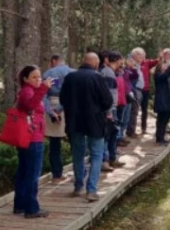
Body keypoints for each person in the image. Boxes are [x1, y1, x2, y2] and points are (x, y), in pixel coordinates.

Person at [60, 52, 114, 202]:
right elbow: (108, 101)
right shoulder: (98, 78)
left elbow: (63, 99)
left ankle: (78, 186)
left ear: (83, 62)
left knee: (78, 153)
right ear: (96, 64)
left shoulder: (70, 77)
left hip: (74, 121)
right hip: (95, 121)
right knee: (96, 155)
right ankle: (91, 190)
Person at [13, 65, 54, 218]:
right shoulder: (27, 92)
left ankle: (20, 204)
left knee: (24, 172)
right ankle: (31, 208)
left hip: (31, 136)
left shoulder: (30, 91)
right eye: (34, 77)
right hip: (32, 138)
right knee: (32, 174)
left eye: (39, 77)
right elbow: (31, 105)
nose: (38, 80)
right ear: (25, 79)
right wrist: (43, 89)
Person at [42, 54, 74, 183]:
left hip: (54, 104)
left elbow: (43, 94)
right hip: (72, 106)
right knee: (75, 141)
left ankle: (57, 174)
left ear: (53, 61)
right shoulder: (73, 73)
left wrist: (52, 111)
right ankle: (79, 173)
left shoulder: (50, 74)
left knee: (54, 143)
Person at [100, 51, 125, 171]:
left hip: (112, 108)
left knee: (113, 133)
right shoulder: (108, 73)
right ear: (117, 60)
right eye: (121, 59)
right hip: (109, 109)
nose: (122, 62)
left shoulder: (112, 72)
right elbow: (107, 93)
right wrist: (109, 111)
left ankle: (112, 158)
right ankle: (105, 160)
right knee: (107, 135)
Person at [131, 47, 159, 135]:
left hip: (145, 90)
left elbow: (156, 61)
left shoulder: (146, 63)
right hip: (135, 90)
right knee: (134, 110)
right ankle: (132, 130)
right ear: (135, 55)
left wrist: (161, 57)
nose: (142, 57)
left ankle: (143, 128)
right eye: (140, 55)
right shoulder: (131, 63)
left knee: (144, 109)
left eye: (143, 55)